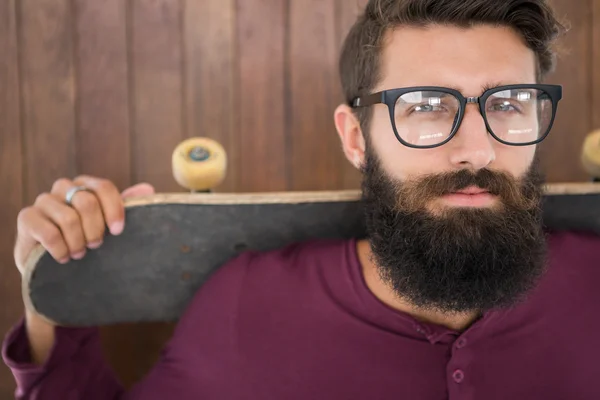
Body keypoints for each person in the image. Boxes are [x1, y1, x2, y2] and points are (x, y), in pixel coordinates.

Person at [3, 0, 600, 398]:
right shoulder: (249, 306)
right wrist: (58, 273)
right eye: (423, 107)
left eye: (507, 105)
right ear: (354, 138)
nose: (477, 151)